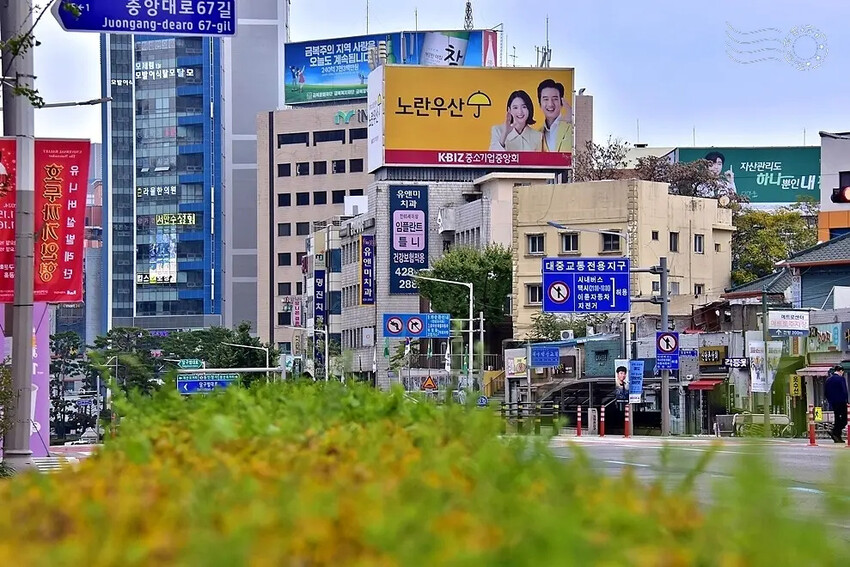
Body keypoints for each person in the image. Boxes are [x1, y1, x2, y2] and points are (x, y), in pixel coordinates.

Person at [536, 78, 574, 153]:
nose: (550, 104)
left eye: (555, 99)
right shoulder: (537, 134)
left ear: (561, 102)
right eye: (546, 99)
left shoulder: (571, 126)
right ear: (540, 103)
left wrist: (572, 121)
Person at [825, 365, 848, 443]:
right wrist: (846, 400)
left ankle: (837, 436)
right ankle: (835, 431)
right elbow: (844, 390)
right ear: (841, 371)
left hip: (833, 403)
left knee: (837, 418)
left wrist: (830, 401)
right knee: (844, 419)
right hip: (841, 401)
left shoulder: (828, 380)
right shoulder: (841, 379)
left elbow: (826, 393)